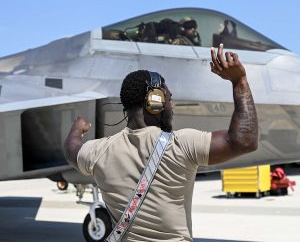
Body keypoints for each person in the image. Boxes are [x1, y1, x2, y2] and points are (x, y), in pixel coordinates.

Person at [64, 44, 258, 241]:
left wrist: (77, 129)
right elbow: (245, 141)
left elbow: (72, 150)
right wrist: (239, 80)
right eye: (169, 99)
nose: (172, 106)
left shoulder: (98, 152)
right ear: (154, 101)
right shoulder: (181, 145)